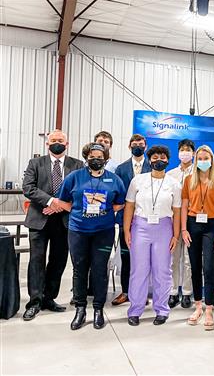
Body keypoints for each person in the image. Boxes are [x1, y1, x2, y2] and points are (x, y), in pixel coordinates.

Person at [58, 143, 126, 330]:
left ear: (106, 158)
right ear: (86, 157)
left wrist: (103, 213)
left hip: (103, 232)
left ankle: (98, 308)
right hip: (78, 231)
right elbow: (62, 201)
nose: (96, 159)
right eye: (92, 155)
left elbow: (119, 204)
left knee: (99, 270)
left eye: (100, 155)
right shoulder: (74, 177)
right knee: (79, 270)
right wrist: (78, 211)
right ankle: (80, 309)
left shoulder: (114, 179)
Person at [21, 130, 83, 321]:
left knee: (58, 261)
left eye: (60, 140)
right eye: (53, 140)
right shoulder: (35, 163)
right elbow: (28, 188)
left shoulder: (77, 165)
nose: (57, 143)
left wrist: (59, 206)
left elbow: (79, 190)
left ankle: (49, 298)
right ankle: (35, 301)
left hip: (64, 221)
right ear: (47, 144)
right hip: (39, 219)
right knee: (36, 261)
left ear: (67, 143)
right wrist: (51, 202)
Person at [124, 145, 181, 326]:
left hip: (164, 228)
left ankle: (162, 309)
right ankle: (135, 310)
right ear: (149, 160)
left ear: (167, 160)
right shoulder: (137, 181)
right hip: (140, 227)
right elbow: (130, 206)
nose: (159, 160)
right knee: (139, 270)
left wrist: (176, 235)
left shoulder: (174, 184)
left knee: (162, 271)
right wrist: (126, 230)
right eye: (155, 157)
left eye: (162, 157)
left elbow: (177, 211)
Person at [181, 145, 214, 330]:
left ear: (211, 160)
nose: (202, 161)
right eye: (199, 158)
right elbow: (184, 206)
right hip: (192, 224)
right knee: (194, 266)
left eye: (205, 158)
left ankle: (209, 308)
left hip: (212, 225)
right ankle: (198, 306)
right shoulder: (188, 180)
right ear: (195, 160)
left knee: (209, 267)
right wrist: (184, 229)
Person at [112, 134, 151, 306]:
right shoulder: (121, 169)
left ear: (145, 147)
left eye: (141, 144)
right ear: (129, 147)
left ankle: (143, 292)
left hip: (148, 219)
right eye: (134, 144)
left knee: (145, 258)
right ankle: (126, 291)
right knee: (126, 257)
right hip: (125, 220)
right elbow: (118, 194)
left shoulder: (153, 167)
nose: (138, 146)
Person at [167, 139, 195, 309]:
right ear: (178, 153)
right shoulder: (170, 174)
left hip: (192, 220)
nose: (185, 153)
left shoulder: (198, 173)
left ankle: (186, 292)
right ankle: (172, 292)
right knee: (173, 258)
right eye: (182, 150)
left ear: (193, 153)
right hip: (173, 221)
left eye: (188, 150)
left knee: (188, 259)